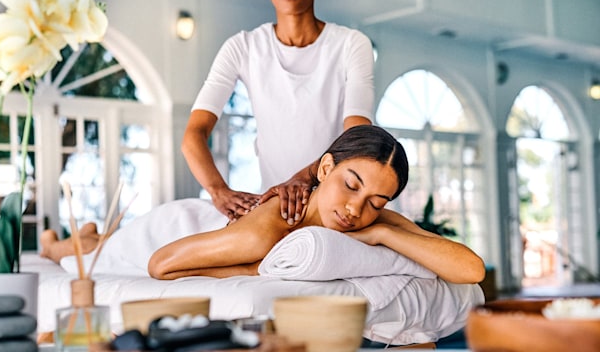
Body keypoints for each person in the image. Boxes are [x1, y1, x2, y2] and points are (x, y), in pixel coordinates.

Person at [41, 126, 485, 285]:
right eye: (351, 184)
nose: (355, 210)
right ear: (325, 168)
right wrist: (257, 268)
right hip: (172, 230)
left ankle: (88, 233)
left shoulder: (368, 216)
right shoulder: (269, 229)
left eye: (377, 201)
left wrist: (385, 231)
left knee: (100, 239)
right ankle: (58, 243)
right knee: (92, 255)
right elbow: (160, 265)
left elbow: (472, 270)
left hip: (215, 233)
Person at [183, 0, 375, 224]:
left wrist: (305, 178)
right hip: (275, 208)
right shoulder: (242, 47)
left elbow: (358, 139)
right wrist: (218, 191)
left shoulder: (351, 44)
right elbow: (193, 135)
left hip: (333, 208)